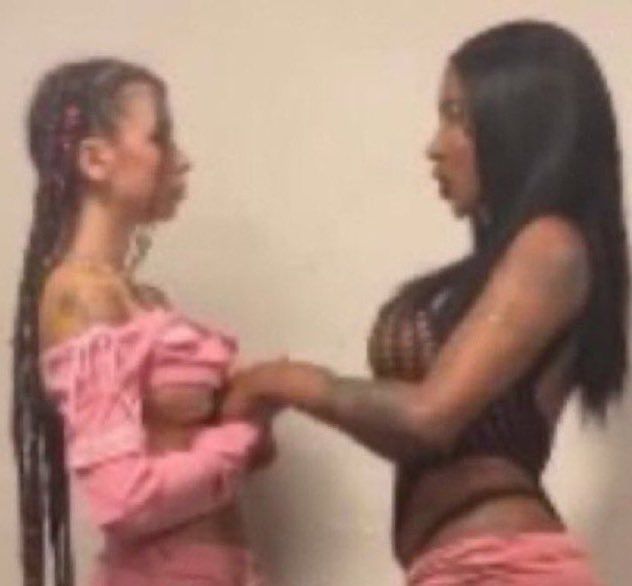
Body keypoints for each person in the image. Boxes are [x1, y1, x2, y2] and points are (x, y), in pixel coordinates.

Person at [222, 20, 628, 585]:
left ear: (517, 124)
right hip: (465, 566)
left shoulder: (551, 246)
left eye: (456, 117)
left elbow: (427, 418)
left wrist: (285, 382)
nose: (435, 146)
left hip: (501, 569)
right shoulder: (513, 259)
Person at [13, 58, 272, 586]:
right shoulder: (79, 296)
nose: (182, 160)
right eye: (161, 138)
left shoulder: (143, 300)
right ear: (95, 159)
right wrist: (241, 436)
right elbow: (123, 501)